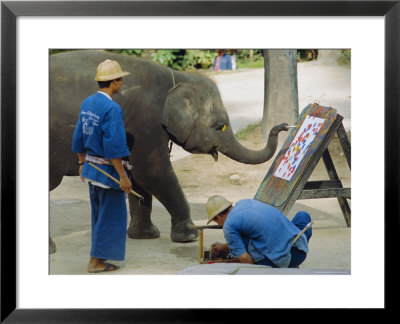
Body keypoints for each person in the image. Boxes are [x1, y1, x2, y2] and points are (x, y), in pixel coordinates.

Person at [72, 59, 132, 273]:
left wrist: (81, 163)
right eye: (121, 79)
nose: (122, 82)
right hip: (108, 174)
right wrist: (123, 176)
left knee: (98, 216)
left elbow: (79, 135)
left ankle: (96, 258)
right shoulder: (112, 109)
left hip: (91, 170)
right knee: (111, 218)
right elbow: (114, 146)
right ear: (114, 82)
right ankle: (95, 262)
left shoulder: (88, 102)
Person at [206, 195, 312, 268]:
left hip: (289, 259)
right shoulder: (245, 202)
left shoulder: (229, 226)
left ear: (218, 216)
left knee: (242, 244)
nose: (218, 224)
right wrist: (226, 247)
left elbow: (244, 257)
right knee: (302, 216)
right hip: (299, 246)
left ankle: (281, 265)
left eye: (215, 221)